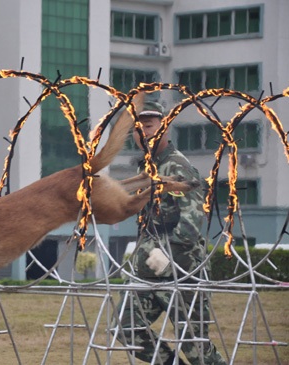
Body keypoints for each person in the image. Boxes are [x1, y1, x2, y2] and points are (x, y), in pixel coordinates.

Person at [117, 101, 226, 365]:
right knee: (127, 328)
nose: (142, 133)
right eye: (136, 128)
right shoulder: (148, 169)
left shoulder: (177, 167)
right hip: (148, 272)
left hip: (183, 272)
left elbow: (191, 220)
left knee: (194, 347)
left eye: (149, 126)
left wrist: (167, 254)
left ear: (164, 127)